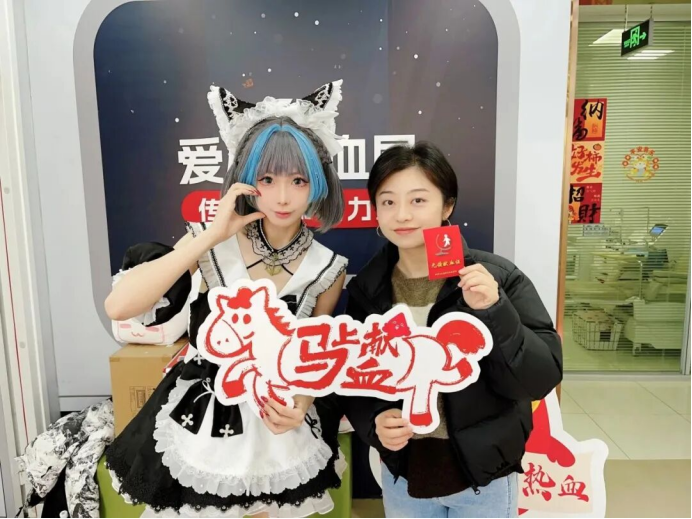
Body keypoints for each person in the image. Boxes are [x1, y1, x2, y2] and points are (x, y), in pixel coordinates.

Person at [104, 81, 349, 518]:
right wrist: (212, 236)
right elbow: (119, 307)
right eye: (267, 179)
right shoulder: (210, 244)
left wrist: (302, 406)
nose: (282, 196)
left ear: (319, 183)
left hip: (276, 420)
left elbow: (313, 355)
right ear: (244, 179)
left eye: (298, 180)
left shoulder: (327, 266)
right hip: (204, 412)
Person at [341, 142, 563, 518]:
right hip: (404, 475)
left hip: (484, 478)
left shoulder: (497, 277)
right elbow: (355, 377)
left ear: (447, 206)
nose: (402, 215)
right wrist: (374, 421)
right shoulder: (368, 289)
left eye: (418, 200)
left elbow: (540, 377)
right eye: (388, 201)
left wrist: (495, 309)